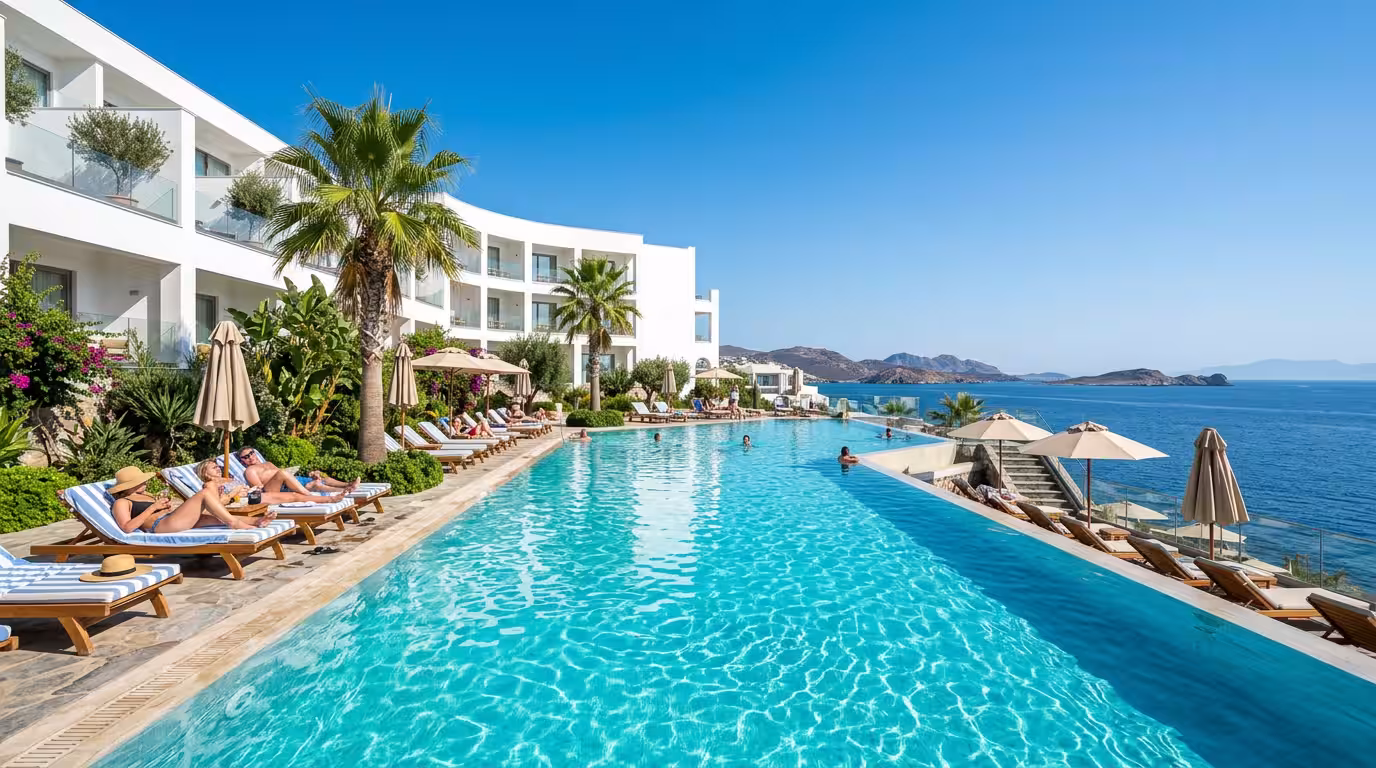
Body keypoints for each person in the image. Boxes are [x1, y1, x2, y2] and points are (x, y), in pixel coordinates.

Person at [109, 465, 277, 534]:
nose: (145, 482)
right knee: (204, 494)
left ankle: (256, 521)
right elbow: (127, 528)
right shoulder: (122, 502)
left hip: (171, 518)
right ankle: (235, 524)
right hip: (161, 525)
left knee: (215, 518)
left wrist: (165, 505)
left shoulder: (145, 495)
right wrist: (153, 508)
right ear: (127, 486)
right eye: (140, 481)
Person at [238, 448, 353, 501]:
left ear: (255, 453)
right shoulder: (250, 471)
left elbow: (282, 475)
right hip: (273, 490)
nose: (250, 457)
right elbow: (259, 489)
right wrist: (283, 475)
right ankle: (309, 494)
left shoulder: (268, 463)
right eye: (246, 457)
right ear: (242, 461)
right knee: (282, 472)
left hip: (289, 481)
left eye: (251, 453)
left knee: (321, 478)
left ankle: (348, 486)